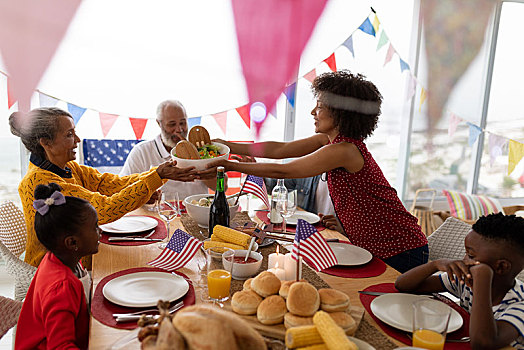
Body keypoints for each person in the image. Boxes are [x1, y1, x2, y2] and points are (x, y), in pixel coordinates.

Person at [206, 70, 428, 273]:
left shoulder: (344, 150)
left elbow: (284, 171)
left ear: (341, 113)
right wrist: (228, 146)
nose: (313, 112)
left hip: (401, 249)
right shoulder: (331, 142)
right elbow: (280, 149)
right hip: (379, 244)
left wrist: (231, 165)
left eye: (320, 106)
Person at [9, 107, 199, 269]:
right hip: (55, 271)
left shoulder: (66, 167)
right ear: (46, 143)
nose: (78, 140)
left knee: (149, 261)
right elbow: (103, 209)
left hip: (79, 258)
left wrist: (157, 175)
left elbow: (110, 184)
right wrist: (155, 178)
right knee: (149, 265)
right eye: (69, 135)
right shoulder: (40, 182)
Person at [395, 213, 524, 350]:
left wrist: (482, 278)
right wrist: (435, 265)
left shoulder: (519, 304)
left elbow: (483, 343)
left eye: (471, 255)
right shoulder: (466, 280)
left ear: (501, 267)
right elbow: (403, 285)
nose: (464, 259)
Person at [15, 183, 99, 349]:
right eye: (95, 226)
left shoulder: (63, 258)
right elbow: (60, 346)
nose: (100, 231)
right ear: (72, 242)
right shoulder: (61, 288)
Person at [120, 100, 217, 200]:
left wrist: (199, 164)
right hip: (157, 214)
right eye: (172, 124)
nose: (179, 129)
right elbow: (122, 189)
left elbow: (223, 186)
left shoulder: (202, 148)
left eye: (182, 123)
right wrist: (143, 196)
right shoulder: (142, 152)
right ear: (159, 123)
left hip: (197, 213)